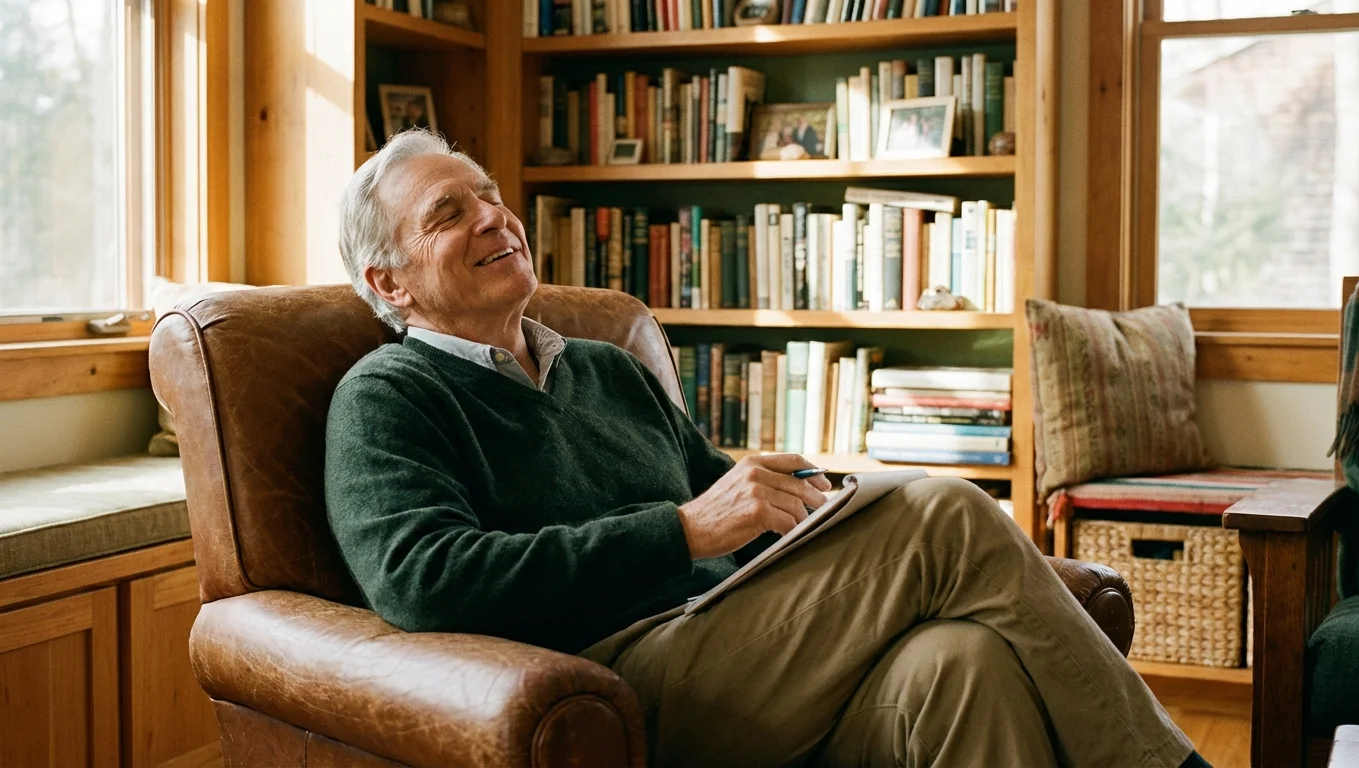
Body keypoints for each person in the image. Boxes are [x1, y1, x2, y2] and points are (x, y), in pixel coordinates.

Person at [325, 130, 1209, 768]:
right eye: (451, 212)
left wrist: (807, 502)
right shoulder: (389, 396)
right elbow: (422, 581)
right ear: (389, 281)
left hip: (743, 640)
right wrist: (681, 533)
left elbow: (719, 495)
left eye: (489, 195)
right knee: (943, 509)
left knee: (963, 668)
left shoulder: (603, 366)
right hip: (613, 678)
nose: (494, 217)